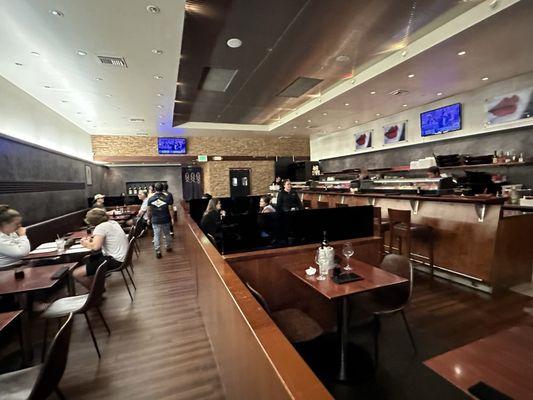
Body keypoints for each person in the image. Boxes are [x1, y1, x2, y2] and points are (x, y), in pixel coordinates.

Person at [74, 208, 128, 290]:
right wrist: (92, 241)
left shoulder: (100, 227)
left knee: (77, 273)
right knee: (88, 259)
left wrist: (84, 243)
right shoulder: (112, 222)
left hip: (116, 260)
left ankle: (97, 292)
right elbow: (104, 239)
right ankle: (98, 283)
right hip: (124, 257)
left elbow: (95, 247)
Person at [147, 182, 174, 258]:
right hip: (166, 219)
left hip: (155, 220)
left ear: (155, 189)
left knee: (157, 236)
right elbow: (171, 209)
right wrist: (172, 218)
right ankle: (168, 247)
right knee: (167, 234)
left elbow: (148, 211)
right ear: (163, 189)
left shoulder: (151, 199)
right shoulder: (167, 198)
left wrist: (149, 219)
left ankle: (158, 251)